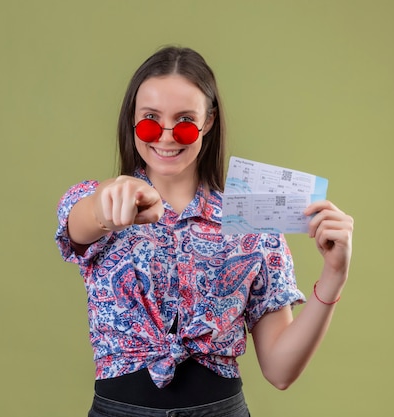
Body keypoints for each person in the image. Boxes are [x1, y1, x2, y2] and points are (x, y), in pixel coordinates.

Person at [55, 46, 354, 417]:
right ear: (131, 121)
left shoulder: (252, 221)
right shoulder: (97, 200)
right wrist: (107, 208)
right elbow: (81, 224)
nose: (165, 137)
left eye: (184, 122)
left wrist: (334, 275)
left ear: (208, 122)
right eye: (150, 120)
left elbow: (280, 371)